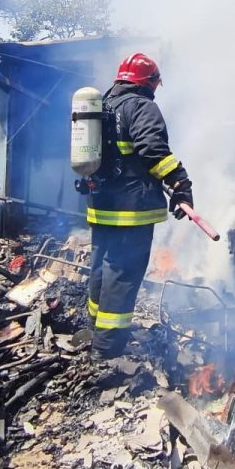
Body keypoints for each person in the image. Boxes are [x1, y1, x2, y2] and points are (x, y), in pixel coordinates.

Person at [86, 52, 193, 359]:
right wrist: (181, 185)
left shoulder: (105, 104)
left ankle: (96, 330)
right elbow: (153, 152)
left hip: (101, 206)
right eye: (156, 84)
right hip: (130, 211)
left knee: (101, 267)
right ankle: (107, 351)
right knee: (123, 274)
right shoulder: (141, 107)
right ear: (148, 83)